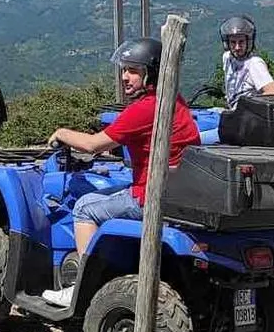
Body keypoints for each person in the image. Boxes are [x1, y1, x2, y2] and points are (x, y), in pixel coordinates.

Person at [40, 37, 201, 308]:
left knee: (84, 207)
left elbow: (92, 145)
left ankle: (81, 288)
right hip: (177, 192)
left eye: (133, 70)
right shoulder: (174, 100)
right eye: (124, 69)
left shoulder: (145, 108)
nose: (125, 77)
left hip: (148, 197)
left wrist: (62, 133)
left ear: (151, 74)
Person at [219, 15, 274, 107]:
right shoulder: (227, 58)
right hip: (233, 114)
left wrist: (250, 107)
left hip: (249, 117)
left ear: (249, 42)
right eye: (233, 42)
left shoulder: (254, 64)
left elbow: (273, 93)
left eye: (241, 42)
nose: (237, 47)